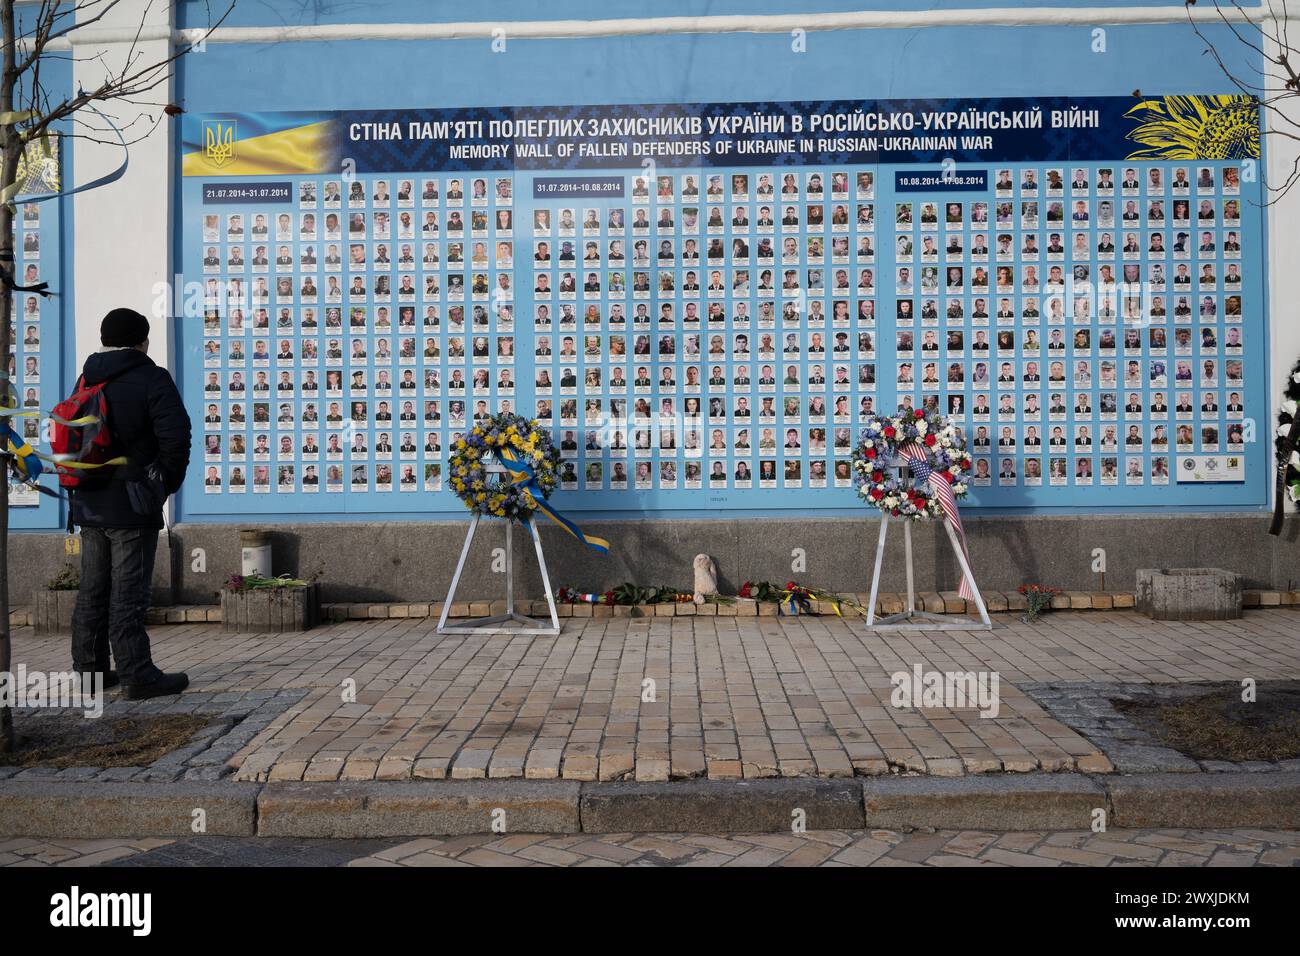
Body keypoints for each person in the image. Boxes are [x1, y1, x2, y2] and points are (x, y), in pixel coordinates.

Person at [69, 309, 191, 700]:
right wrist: (163, 486)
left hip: (88, 501)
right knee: (128, 593)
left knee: (92, 589)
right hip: (132, 504)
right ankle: (138, 674)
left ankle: (90, 672)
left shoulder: (87, 378)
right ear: (143, 341)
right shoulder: (152, 377)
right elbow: (175, 438)